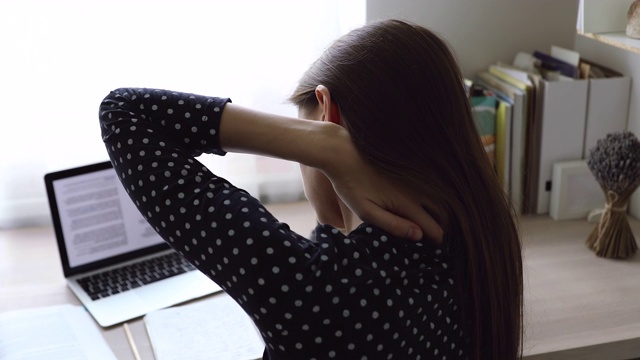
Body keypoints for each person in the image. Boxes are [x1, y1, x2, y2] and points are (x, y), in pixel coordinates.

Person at [99, 19, 522, 360]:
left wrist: (329, 147)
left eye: (303, 133)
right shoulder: (482, 233)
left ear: (325, 113)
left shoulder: (320, 290)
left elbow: (125, 113)